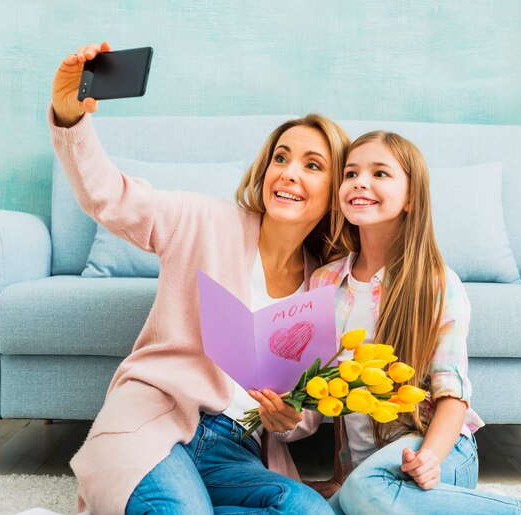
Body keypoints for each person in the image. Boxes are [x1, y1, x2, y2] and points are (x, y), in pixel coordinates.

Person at [49, 41, 350, 514]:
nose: (289, 173)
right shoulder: (204, 219)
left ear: (335, 192)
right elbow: (108, 196)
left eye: (313, 166)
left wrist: (288, 420)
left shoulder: (326, 288)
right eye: (280, 158)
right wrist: (71, 119)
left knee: (310, 510)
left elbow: (307, 410)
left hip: (238, 450)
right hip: (155, 422)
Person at [296, 131, 521, 515]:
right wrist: (340, 475)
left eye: (380, 173)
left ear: (412, 198)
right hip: (368, 470)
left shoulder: (435, 283)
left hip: (441, 449)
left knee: (365, 492)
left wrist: (431, 458)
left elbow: (452, 394)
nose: (360, 182)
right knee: (328, 503)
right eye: (351, 173)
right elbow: (336, 401)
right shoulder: (324, 284)